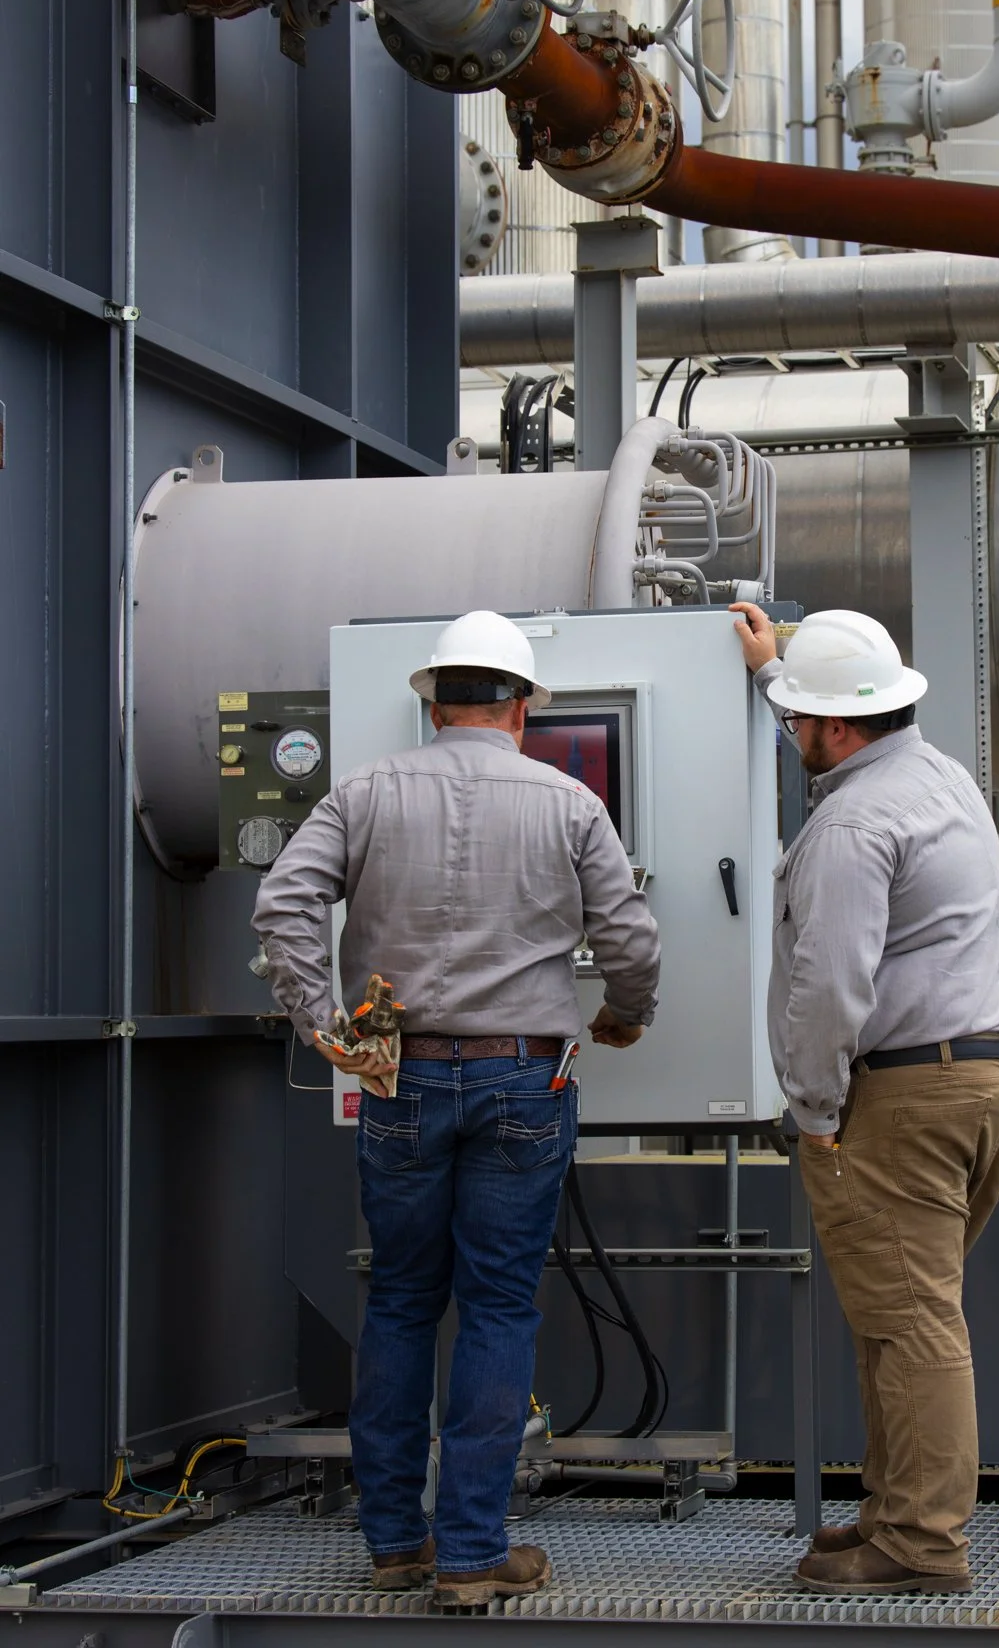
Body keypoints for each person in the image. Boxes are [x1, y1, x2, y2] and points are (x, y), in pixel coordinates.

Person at [252, 609, 660, 1607]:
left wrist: (324, 1023)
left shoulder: (365, 791)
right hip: (525, 1076)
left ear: (430, 700)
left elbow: (283, 903)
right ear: (522, 707)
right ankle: (473, 1551)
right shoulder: (568, 800)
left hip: (398, 1076)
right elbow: (632, 941)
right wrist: (620, 1015)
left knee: (397, 1298)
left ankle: (395, 1541)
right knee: (495, 1305)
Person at [730, 602, 999, 1595]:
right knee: (892, 1312)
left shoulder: (850, 821)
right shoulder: (935, 775)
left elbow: (828, 989)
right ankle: (890, 1514)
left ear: (834, 727)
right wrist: (776, 669)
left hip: (904, 1095)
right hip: (987, 1075)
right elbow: (828, 711)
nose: (793, 736)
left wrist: (812, 1112)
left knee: (907, 1321)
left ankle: (921, 1543)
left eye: (798, 720)